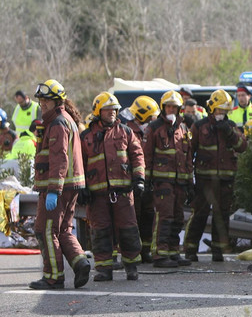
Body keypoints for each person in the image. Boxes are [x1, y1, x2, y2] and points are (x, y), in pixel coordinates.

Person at [29, 79, 91, 290]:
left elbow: (59, 158)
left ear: (57, 101)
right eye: (41, 100)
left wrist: (53, 190)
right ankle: (80, 262)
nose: (42, 104)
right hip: (69, 186)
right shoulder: (64, 120)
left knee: (45, 230)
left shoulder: (57, 124)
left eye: (46, 100)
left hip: (58, 187)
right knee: (63, 229)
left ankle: (53, 277)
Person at [79, 92, 145, 281]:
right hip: (97, 195)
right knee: (100, 231)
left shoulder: (126, 132)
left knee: (128, 229)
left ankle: (131, 267)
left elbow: (137, 155)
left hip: (123, 193)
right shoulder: (86, 136)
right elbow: (79, 163)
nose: (112, 113)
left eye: (114, 110)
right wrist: (82, 187)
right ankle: (104, 269)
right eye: (108, 110)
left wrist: (139, 179)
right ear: (98, 111)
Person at [184, 89, 246, 262]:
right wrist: (189, 177)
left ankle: (218, 250)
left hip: (225, 180)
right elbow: (190, 151)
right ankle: (190, 249)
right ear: (212, 109)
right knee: (200, 214)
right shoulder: (199, 126)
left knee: (222, 215)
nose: (222, 114)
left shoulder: (231, 126)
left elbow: (242, 146)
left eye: (225, 111)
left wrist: (230, 133)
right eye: (219, 110)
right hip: (204, 179)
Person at [142, 90, 193, 268]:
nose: (171, 109)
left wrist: (189, 181)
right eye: (168, 106)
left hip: (179, 183)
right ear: (163, 108)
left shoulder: (183, 129)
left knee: (178, 218)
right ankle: (160, 254)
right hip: (161, 182)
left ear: (179, 109)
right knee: (164, 217)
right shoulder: (154, 128)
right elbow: (146, 156)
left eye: (175, 107)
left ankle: (173, 252)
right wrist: (145, 181)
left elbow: (187, 157)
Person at [119, 95, 160, 263]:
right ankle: (130, 253)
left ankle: (145, 250)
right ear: (142, 116)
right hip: (132, 181)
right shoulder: (126, 131)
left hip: (149, 180)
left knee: (148, 216)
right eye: (152, 117)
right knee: (132, 218)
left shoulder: (151, 131)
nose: (154, 120)